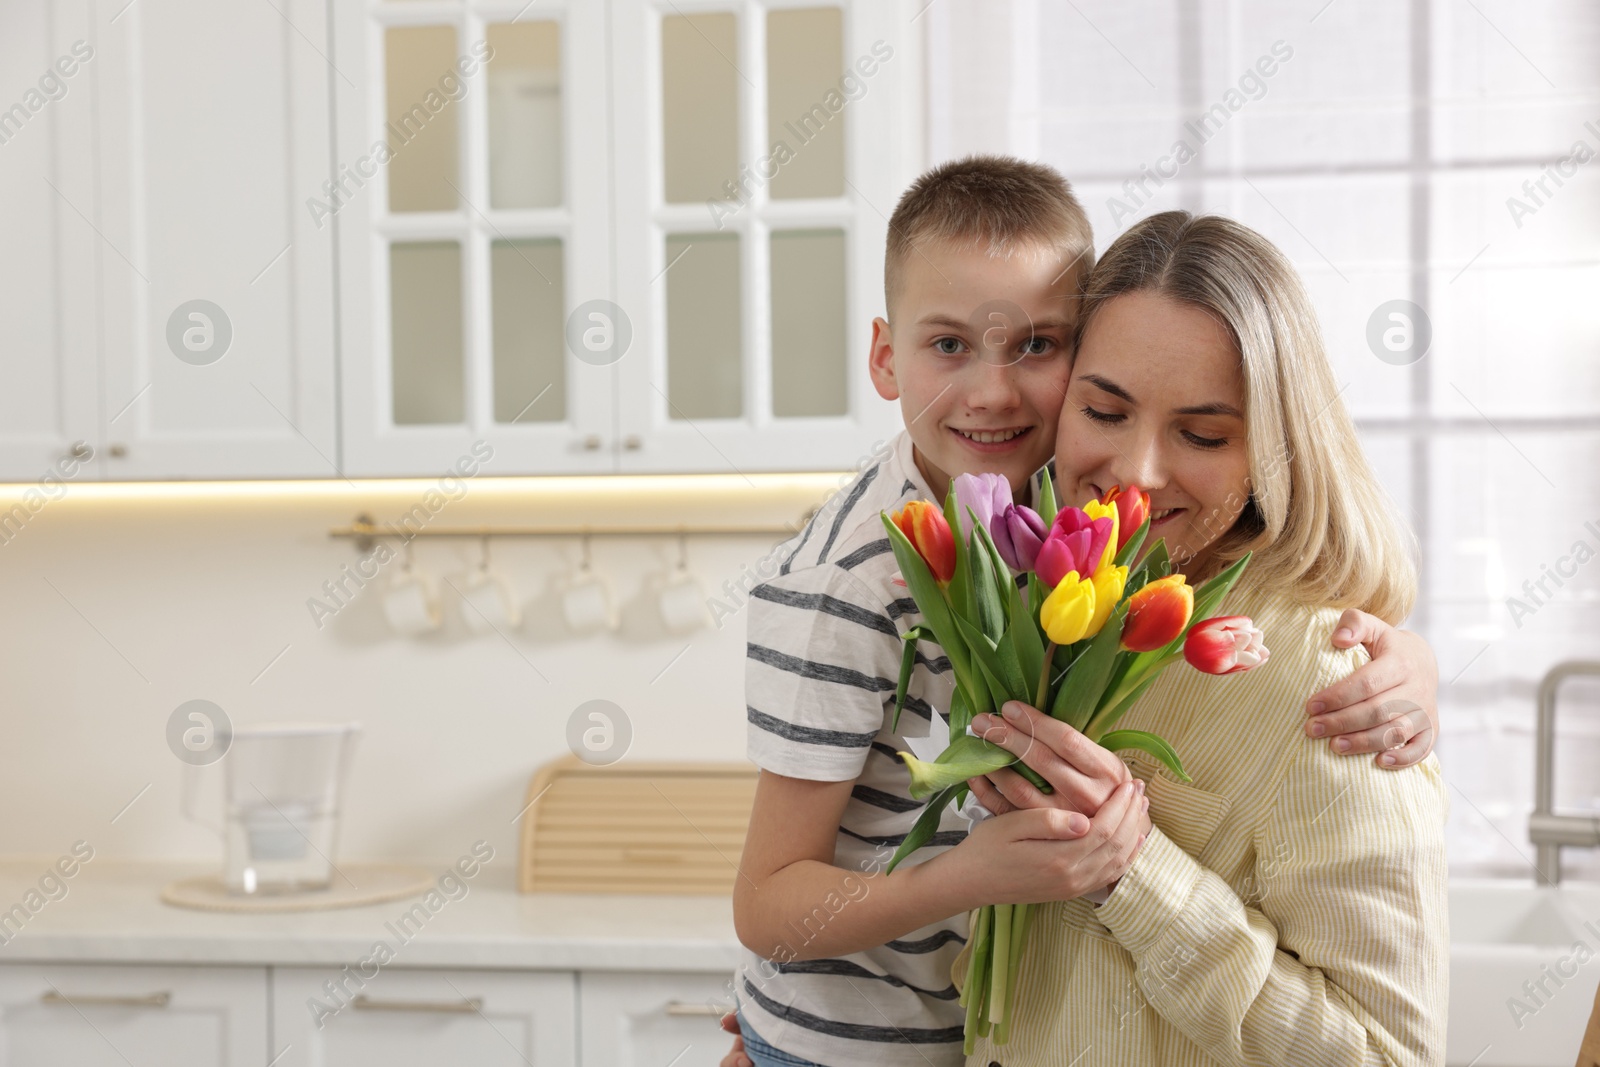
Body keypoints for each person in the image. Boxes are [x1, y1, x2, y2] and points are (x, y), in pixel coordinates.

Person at [724, 159, 1441, 1067]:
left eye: (1034, 348)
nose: (993, 391)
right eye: (1106, 408)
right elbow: (770, 900)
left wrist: (1409, 659)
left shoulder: (1316, 671)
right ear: (884, 354)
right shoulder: (884, 570)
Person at [956, 210, 1449, 1066]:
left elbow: (1387, 1056)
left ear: (1277, 447)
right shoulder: (1046, 600)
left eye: (1203, 434)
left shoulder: (1337, 684)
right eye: (1104, 410)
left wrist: (1136, 870)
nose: (1139, 471)